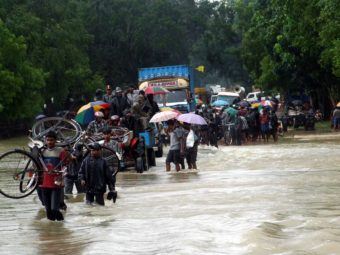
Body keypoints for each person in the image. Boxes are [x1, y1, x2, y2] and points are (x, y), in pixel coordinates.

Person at [40, 131, 69, 221]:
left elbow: (66, 166)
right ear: (45, 140)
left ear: (55, 141)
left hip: (56, 184)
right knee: (48, 212)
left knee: (55, 210)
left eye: (51, 140)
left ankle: (63, 224)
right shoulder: (42, 151)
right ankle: (52, 232)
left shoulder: (61, 151)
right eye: (47, 140)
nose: (49, 142)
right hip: (44, 184)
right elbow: (36, 165)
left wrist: (61, 175)